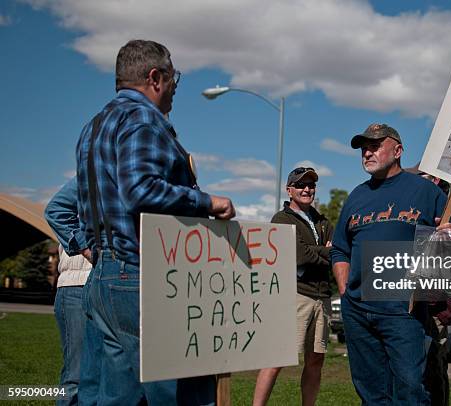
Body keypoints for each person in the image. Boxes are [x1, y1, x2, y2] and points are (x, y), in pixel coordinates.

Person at [75, 39, 235, 405]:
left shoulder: (93, 126)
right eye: (174, 77)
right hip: (142, 275)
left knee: (118, 396)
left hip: (104, 277)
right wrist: (208, 201)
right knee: (178, 393)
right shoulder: (143, 118)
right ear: (155, 77)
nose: (175, 87)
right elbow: (140, 189)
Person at [330, 123, 451, 405]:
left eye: (375, 145)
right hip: (358, 310)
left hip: (404, 309)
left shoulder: (425, 191)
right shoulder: (356, 195)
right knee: (371, 392)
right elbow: (340, 249)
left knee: (411, 389)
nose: (367, 152)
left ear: (398, 151)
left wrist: (448, 233)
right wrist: (345, 291)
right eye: (364, 148)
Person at [253, 167, 334, 406]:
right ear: (289, 190)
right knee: (276, 358)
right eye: (300, 185)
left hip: (322, 297)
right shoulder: (281, 219)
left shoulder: (322, 221)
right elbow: (298, 256)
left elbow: (336, 251)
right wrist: (324, 252)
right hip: (295, 295)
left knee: (316, 360)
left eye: (311, 185)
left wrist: (321, 253)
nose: (306, 189)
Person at [405, 164, 451, 406]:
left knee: (434, 368)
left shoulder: (447, 209)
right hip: (406, 303)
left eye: (426, 178)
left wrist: (449, 234)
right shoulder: (407, 208)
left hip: (434, 304)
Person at [45, 177, 96, 405]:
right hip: (77, 286)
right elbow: (56, 211)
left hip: (110, 286)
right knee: (76, 378)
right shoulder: (94, 174)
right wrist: (87, 248)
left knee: (108, 377)